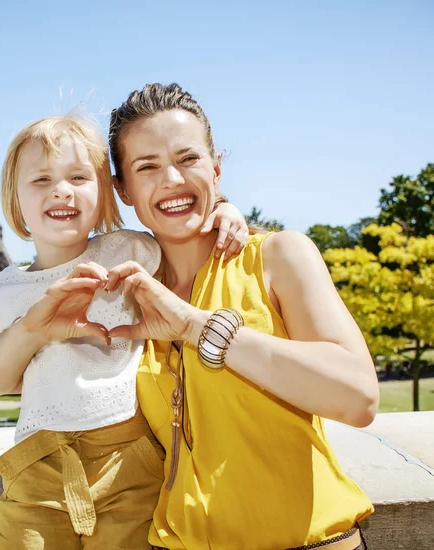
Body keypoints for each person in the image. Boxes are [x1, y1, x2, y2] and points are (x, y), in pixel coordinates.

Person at [0, 114, 248, 549]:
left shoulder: (130, 249)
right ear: (14, 200)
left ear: (104, 194)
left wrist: (224, 209)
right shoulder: (4, 291)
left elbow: (190, 227)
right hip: (39, 465)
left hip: (129, 457)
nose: (61, 190)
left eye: (78, 177)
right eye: (42, 179)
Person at [100, 83, 379, 550]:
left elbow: (359, 398)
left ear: (216, 167)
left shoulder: (278, 257)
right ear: (123, 190)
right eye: (147, 167)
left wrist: (196, 327)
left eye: (187, 159)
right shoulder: (125, 291)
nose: (171, 179)